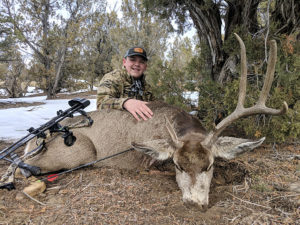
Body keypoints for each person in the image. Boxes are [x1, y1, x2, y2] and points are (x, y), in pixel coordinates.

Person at [97, 47, 155, 121]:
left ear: (145, 67)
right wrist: (125, 103)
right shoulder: (112, 78)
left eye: (141, 62)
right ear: (124, 62)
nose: (137, 64)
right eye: (133, 60)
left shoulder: (147, 87)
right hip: (113, 125)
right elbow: (101, 104)